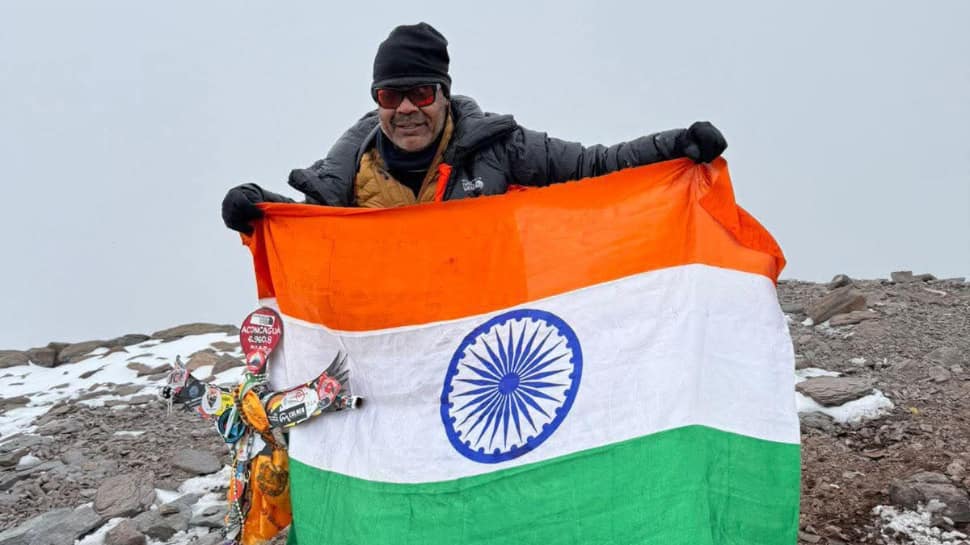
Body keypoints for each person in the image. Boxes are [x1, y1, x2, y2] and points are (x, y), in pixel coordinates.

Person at [222, 22, 727, 234]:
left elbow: (594, 165)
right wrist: (258, 206)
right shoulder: (347, 171)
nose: (405, 109)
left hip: (485, 335)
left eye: (420, 93)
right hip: (390, 343)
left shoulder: (500, 148)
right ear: (376, 100)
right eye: (389, 96)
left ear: (442, 93)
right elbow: (310, 228)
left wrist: (674, 145)